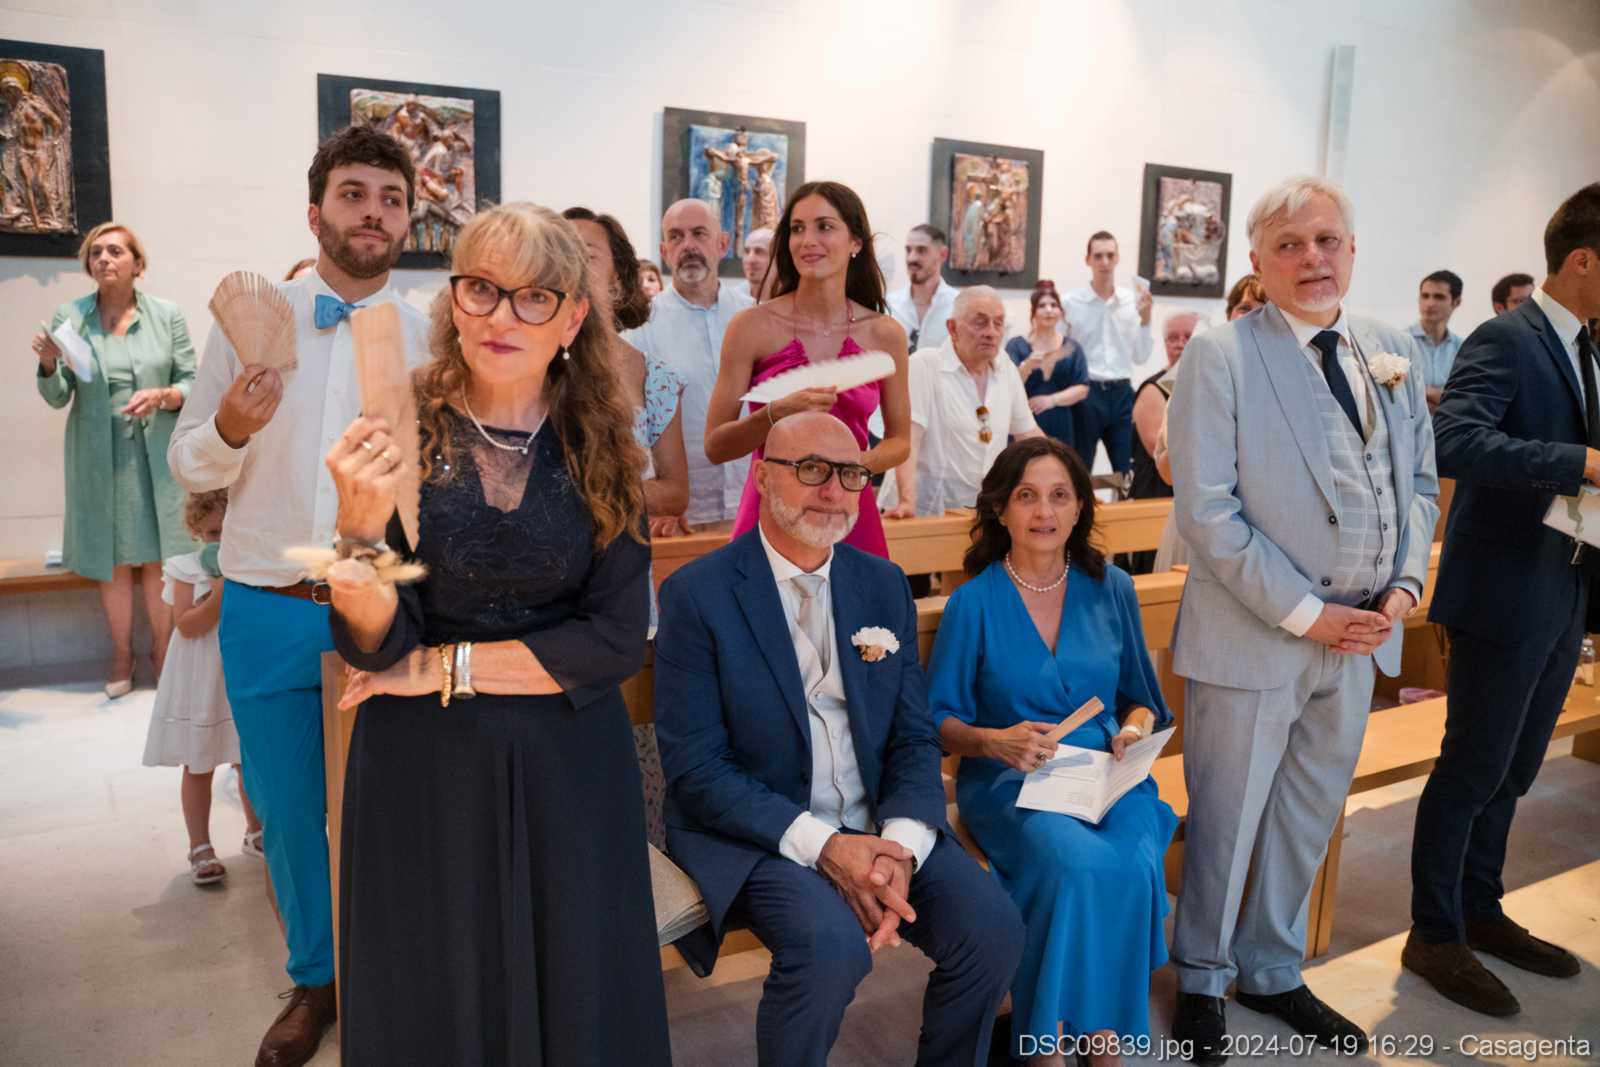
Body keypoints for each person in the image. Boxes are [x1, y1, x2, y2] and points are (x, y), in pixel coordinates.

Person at [323, 202, 671, 1065]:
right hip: (425, 770)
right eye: (480, 288)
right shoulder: (400, 417)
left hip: (569, 767)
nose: (500, 316)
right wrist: (358, 534)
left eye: (532, 296)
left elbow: (615, 640)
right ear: (453, 298)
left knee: (575, 987)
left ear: (573, 318)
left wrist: (445, 667)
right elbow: (376, 648)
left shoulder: (604, 441)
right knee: (434, 988)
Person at [167, 125, 430, 1067]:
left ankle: (400, 972)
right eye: (354, 194)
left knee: (392, 806)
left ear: (410, 220)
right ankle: (316, 980)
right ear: (315, 212)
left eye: (391, 199)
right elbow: (188, 460)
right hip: (267, 603)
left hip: (387, 609)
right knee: (285, 809)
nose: (373, 213)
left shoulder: (432, 336)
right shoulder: (253, 320)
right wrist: (232, 428)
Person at [654, 410, 1024, 1067]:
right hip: (759, 833)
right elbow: (697, 768)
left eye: (851, 473)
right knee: (830, 948)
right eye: (811, 469)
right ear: (762, 478)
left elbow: (913, 734)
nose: (833, 490)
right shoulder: (698, 594)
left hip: (878, 820)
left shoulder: (880, 583)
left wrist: (901, 845)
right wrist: (827, 846)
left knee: (991, 928)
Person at [1166, 175, 1438, 1063]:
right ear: (1258, 260)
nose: (1312, 258)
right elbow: (1208, 511)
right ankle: (1202, 976)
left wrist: (1403, 588)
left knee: (1308, 813)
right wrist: (1307, 613)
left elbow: (1419, 484)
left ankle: (1272, 967)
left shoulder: (1391, 349)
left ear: (1352, 250)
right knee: (1229, 814)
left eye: (1327, 241)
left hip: (1362, 637)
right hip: (1257, 633)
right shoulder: (1221, 354)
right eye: (1289, 245)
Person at [1405, 183, 1600, 1016]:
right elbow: (1454, 439)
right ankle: (1433, 931)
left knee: (1516, 768)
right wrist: (1576, 461)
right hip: (1502, 590)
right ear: (1583, 259)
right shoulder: (1508, 336)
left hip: (1565, 583)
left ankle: (1480, 907)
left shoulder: (1589, 348)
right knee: (1472, 766)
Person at [927, 437, 1176, 1066]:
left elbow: (1139, 699)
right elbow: (938, 721)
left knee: (1135, 859)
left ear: (1080, 507)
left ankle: (1102, 1036)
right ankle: (1048, 1043)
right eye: (1027, 496)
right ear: (1001, 509)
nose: (1045, 511)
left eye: (1060, 495)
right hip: (1012, 778)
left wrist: (1132, 732)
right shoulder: (974, 602)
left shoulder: (1112, 587)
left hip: (1105, 772)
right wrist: (992, 740)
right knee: (1072, 866)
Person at [32, 222, 195, 698]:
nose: (104, 258)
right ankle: (122, 654)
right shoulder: (70, 317)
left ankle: (162, 651)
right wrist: (48, 364)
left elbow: (191, 380)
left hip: (156, 451)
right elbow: (58, 395)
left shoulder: (167, 315)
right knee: (114, 558)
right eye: (96, 252)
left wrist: (163, 395)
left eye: (116, 251)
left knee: (160, 555)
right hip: (97, 454)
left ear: (137, 264)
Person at [707, 180, 910, 559]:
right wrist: (774, 413)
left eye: (824, 227)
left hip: (849, 511)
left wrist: (851, 467)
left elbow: (900, 441)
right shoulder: (751, 327)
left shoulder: (885, 334)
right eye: (797, 229)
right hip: (771, 512)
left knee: (855, 598)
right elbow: (716, 445)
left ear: (855, 242)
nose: (807, 240)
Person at [141, 488, 263, 885]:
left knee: (248, 758)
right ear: (197, 531)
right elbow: (188, 625)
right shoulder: (185, 569)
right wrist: (218, 594)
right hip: (200, 678)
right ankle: (200, 845)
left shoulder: (252, 565)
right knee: (199, 763)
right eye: (213, 533)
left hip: (239, 672)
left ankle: (256, 830)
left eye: (229, 531)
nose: (221, 541)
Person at [625, 198, 754, 533]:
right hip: (681, 518)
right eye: (676, 237)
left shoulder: (754, 316)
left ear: (722, 244)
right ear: (664, 251)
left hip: (754, 503)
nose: (688, 246)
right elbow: (634, 425)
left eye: (699, 234)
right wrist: (659, 500)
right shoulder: (641, 327)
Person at [562, 207, 689, 535]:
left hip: (623, 549)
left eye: (588, 256)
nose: (571, 267)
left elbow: (675, 493)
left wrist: (582, 497)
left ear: (617, 277)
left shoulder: (653, 378)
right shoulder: (527, 364)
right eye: (560, 254)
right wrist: (638, 496)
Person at [887, 286, 1042, 519]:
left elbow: (1029, 435)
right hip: (923, 510)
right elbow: (909, 439)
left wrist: (1072, 483)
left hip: (982, 510)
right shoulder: (924, 365)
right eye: (980, 323)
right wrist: (907, 501)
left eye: (998, 323)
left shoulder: (1006, 367)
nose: (991, 332)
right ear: (952, 328)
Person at [1150, 278, 1264, 573]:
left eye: (1265, 307)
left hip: (1264, 530)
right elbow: (1168, 472)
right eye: (1245, 307)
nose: (1254, 315)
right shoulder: (1198, 371)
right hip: (1201, 522)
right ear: (1229, 314)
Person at [1064, 231, 1152, 472]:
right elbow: (1062, 352)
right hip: (1086, 393)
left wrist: (1146, 319)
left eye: (1110, 255)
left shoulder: (1133, 301)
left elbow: (1141, 356)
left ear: (1117, 258)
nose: (1104, 262)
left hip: (1122, 393)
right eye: (1098, 256)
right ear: (1087, 260)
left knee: (1126, 472)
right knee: (1079, 470)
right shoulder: (1070, 302)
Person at [1122, 312, 1200, 574]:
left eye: (1188, 337)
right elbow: (1158, 450)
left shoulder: (1208, 384)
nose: (1180, 344)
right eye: (1173, 338)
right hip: (1157, 492)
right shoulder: (1153, 389)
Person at [1006, 280, 1089, 454]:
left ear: (1061, 312)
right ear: (1033, 312)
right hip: (1024, 422)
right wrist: (1026, 366)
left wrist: (1051, 400)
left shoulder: (1072, 347)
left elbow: (1082, 388)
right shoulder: (1016, 346)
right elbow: (1008, 386)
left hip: (1061, 423)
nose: (1049, 310)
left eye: (1054, 305)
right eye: (1042, 306)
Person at [887, 224, 961, 354]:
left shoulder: (959, 306)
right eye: (908, 250)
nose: (912, 258)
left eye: (921, 250)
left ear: (943, 254)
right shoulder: (888, 305)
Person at [1409, 269, 1464, 410]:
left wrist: (1427, 393)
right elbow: (1399, 395)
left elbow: (1465, 398)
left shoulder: (1463, 348)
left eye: (1439, 297)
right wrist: (1443, 397)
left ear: (1456, 302)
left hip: (1450, 423)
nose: (1430, 303)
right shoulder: (1400, 342)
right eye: (1425, 296)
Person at [742, 224, 774, 301]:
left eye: (759, 252)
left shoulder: (792, 302)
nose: (750, 260)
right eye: (747, 251)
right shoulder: (730, 300)